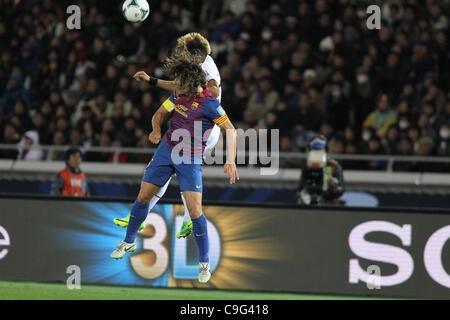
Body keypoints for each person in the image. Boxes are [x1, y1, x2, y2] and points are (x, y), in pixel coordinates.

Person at [110, 60, 238, 284]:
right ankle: (128, 241)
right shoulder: (179, 95)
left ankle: (204, 262)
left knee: (195, 210)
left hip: (189, 159)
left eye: (182, 81)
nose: (177, 85)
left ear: (193, 82)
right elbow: (159, 114)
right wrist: (156, 130)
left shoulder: (210, 104)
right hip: (167, 150)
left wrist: (231, 160)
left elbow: (231, 130)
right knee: (143, 195)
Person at [113, 32, 222, 239]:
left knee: (183, 168)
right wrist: (152, 80)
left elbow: (213, 90)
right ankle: (145, 215)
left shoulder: (207, 70)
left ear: (196, 56)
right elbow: (180, 87)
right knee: (167, 170)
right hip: (195, 124)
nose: (182, 58)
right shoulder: (199, 65)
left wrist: (203, 92)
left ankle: (190, 219)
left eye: (185, 54)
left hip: (204, 130)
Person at [296, 135, 344, 205]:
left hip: (328, 202)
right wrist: (301, 196)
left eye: (320, 150)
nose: (317, 153)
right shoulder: (307, 166)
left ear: (326, 150)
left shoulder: (332, 165)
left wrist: (333, 189)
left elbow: (340, 190)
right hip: (309, 202)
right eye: (315, 150)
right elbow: (300, 187)